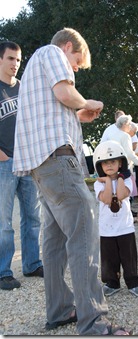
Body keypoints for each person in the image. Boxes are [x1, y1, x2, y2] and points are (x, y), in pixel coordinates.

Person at [12, 28, 131, 336]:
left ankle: (59, 310)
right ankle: (94, 321)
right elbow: (65, 94)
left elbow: (51, 110)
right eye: (77, 61)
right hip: (59, 160)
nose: (76, 69)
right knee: (83, 235)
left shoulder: (32, 73)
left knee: (52, 243)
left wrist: (78, 115)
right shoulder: (51, 53)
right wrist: (88, 103)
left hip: (41, 165)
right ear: (68, 47)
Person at [0, 41, 43, 291]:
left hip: (27, 160)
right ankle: (4, 271)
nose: (15, 64)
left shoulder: (25, 88)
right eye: (10, 59)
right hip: (4, 162)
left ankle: (32, 263)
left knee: (32, 216)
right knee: (4, 221)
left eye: (18, 59)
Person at [93, 140, 138, 298]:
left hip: (125, 227)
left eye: (113, 161)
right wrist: (109, 181)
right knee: (110, 260)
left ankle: (133, 283)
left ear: (120, 163)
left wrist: (122, 177)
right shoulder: (99, 183)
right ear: (99, 166)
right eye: (105, 163)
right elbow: (108, 199)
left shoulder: (128, 180)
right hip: (107, 229)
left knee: (129, 257)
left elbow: (123, 195)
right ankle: (112, 283)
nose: (109, 165)